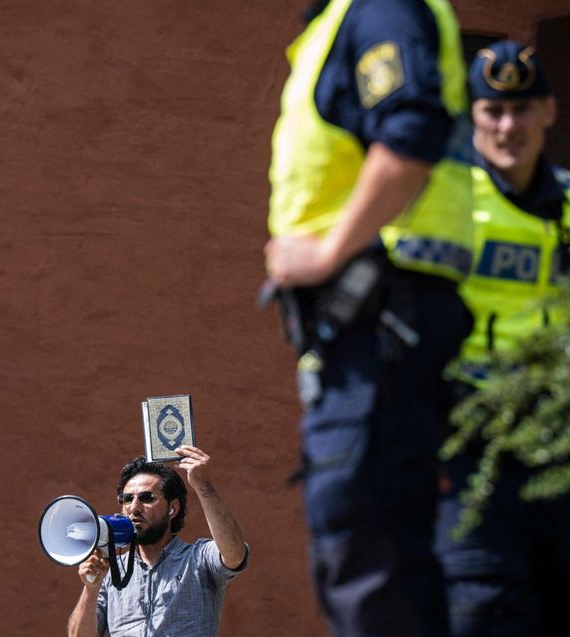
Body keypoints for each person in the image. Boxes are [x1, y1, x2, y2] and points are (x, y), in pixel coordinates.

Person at [262, 0, 476, 635]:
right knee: (361, 548)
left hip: (384, 326)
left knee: (372, 552)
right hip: (362, 334)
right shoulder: (333, 27)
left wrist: (329, 251)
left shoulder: (381, 9)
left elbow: (409, 137)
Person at [435, 40, 570, 637]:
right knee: (483, 609)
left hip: (555, 443)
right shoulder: (446, 203)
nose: (508, 125)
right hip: (470, 439)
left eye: (522, 108)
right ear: (474, 116)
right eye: (493, 110)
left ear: (548, 111)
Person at [66, 446, 249, 637]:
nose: (134, 508)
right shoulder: (111, 570)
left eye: (146, 498)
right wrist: (91, 588)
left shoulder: (197, 559)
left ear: (173, 508)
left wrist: (204, 487)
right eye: (127, 499)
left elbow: (235, 554)